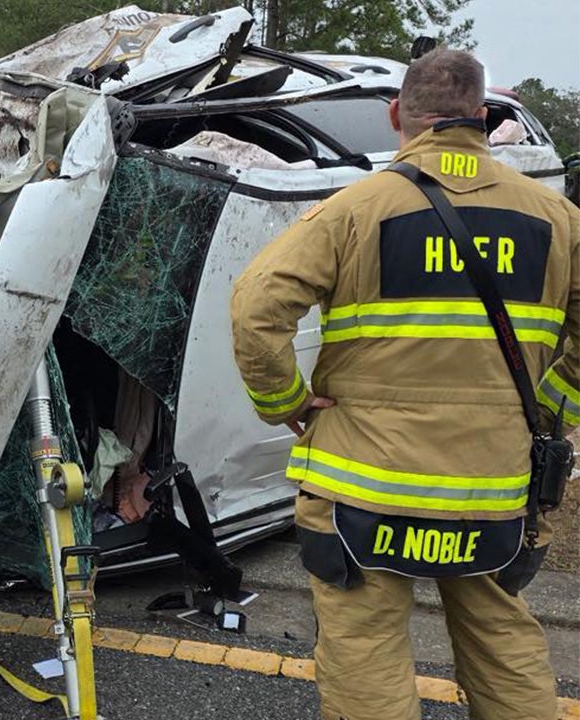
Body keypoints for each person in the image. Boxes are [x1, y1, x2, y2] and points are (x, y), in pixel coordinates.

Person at [230, 48, 579, 720]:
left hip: (364, 484)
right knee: (503, 642)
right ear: (483, 118)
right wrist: (551, 407)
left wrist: (287, 402)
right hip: (493, 488)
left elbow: (254, 307)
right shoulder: (557, 219)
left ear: (397, 115)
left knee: (363, 649)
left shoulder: (355, 208)